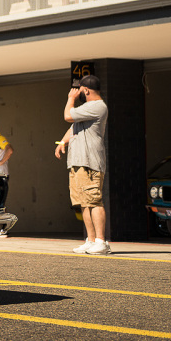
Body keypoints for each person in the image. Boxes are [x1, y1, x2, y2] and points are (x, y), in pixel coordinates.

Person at [55, 75, 110, 255]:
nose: (77, 93)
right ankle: (91, 240)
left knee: (94, 201)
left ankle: (101, 242)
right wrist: (62, 143)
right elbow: (72, 128)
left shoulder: (97, 106)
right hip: (78, 162)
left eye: (79, 89)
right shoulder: (86, 108)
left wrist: (70, 98)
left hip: (89, 162)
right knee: (84, 203)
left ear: (85, 90)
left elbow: (68, 116)